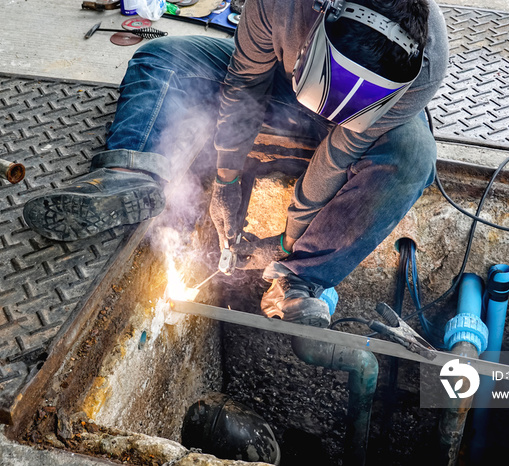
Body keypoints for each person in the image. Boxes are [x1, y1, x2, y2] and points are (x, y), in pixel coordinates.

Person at [23, 0, 449, 328]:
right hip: (278, 77)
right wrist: (226, 179)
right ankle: (130, 177)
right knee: (163, 58)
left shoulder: (426, 68)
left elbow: (338, 154)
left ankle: (300, 280)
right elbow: (245, 86)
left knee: (412, 155)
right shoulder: (283, 5)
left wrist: (287, 243)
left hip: (355, 129)